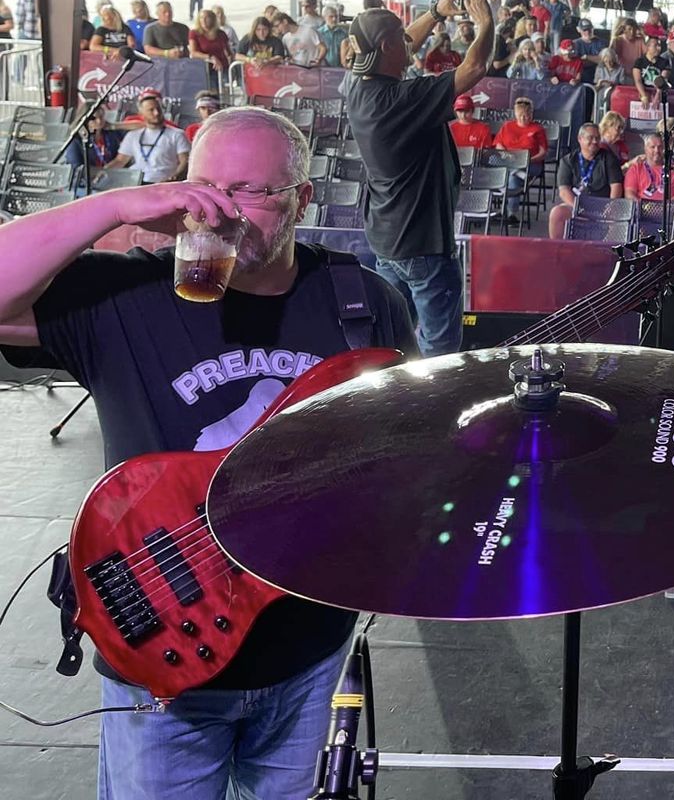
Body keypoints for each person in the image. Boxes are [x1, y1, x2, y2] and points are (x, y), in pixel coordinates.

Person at [0, 105, 415, 800]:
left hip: (307, 652)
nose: (221, 210)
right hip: (160, 646)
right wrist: (117, 206)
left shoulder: (363, 303)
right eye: (207, 187)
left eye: (252, 191)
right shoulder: (123, 293)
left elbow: (404, 450)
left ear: (302, 199)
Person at [343, 0, 494, 356]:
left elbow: (401, 41)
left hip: (388, 238)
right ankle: (431, 394)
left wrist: (436, 13)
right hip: (423, 243)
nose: (408, 44)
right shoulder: (400, 100)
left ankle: (393, 391)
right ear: (385, 47)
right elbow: (474, 68)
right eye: (400, 39)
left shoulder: (357, 86)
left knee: (393, 341)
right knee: (439, 350)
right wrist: (486, 24)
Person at [549, 121, 625, 237]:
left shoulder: (609, 159)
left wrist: (610, 206)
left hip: (603, 206)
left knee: (616, 215)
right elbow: (564, 191)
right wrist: (579, 209)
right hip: (576, 205)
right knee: (557, 213)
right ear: (580, 139)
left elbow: (616, 187)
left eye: (597, 138)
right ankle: (557, 248)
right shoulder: (568, 161)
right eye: (590, 138)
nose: (594, 141)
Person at [107, 89, 190, 183]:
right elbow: (120, 161)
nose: (156, 113)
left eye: (158, 109)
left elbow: (185, 162)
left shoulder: (177, 134)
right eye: (151, 110)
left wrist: (174, 177)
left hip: (162, 183)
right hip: (135, 182)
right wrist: (102, 172)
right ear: (141, 113)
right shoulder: (133, 136)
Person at [623, 131, 674, 202]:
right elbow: (629, 194)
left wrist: (667, 204)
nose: (657, 150)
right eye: (652, 147)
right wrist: (643, 206)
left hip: (671, 205)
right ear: (645, 149)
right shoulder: (635, 169)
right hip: (643, 206)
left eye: (660, 147)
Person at [189, 9, 233, 87]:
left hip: (222, 69)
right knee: (211, 92)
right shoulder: (194, 33)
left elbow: (229, 52)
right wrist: (211, 57)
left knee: (223, 92)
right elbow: (193, 53)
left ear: (212, 19)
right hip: (205, 70)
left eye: (207, 18)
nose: (204, 20)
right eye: (201, 18)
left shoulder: (221, 33)